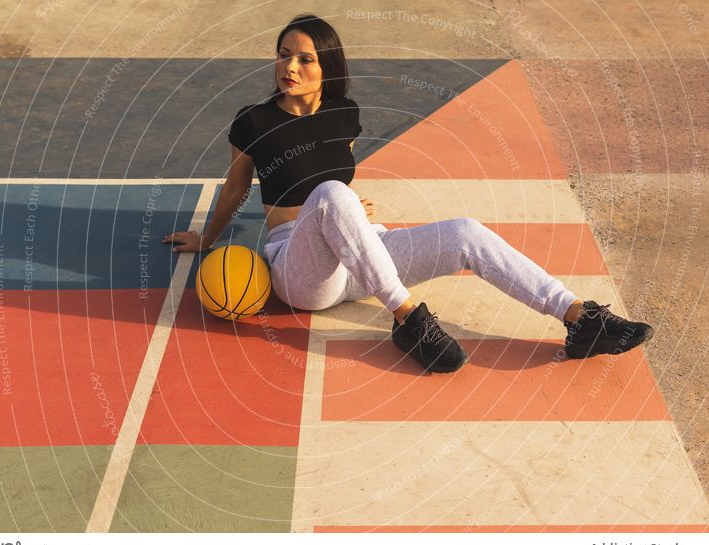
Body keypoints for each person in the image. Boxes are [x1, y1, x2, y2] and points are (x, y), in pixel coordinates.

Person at [163, 13, 653, 373]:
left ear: (327, 68)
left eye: (305, 58)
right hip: (299, 266)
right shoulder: (254, 119)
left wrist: (347, 212)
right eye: (284, 54)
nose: (289, 65)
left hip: (360, 252)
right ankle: (408, 319)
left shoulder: (345, 114)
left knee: (465, 232)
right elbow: (236, 187)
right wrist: (208, 239)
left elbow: (333, 175)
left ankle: (578, 317)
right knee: (334, 194)